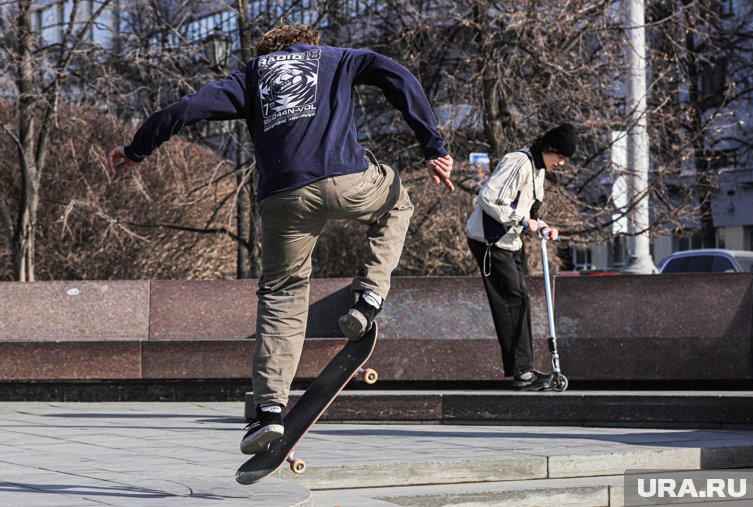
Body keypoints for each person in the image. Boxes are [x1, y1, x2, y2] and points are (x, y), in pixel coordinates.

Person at [107, 24, 453, 453]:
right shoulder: (337, 57)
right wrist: (432, 145)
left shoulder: (251, 75)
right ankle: (368, 299)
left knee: (282, 294)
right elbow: (397, 74)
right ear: (308, 42)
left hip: (283, 197)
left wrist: (137, 149)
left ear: (269, 50)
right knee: (397, 202)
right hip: (347, 179)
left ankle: (268, 413)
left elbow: (186, 108)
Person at [465, 124, 575, 391]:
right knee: (513, 300)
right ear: (549, 148)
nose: (561, 163)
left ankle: (524, 370)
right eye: (560, 157)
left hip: (509, 242)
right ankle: (522, 373)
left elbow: (527, 212)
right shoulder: (519, 161)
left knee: (519, 299)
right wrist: (525, 222)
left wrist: (543, 226)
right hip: (489, 241)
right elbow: (489, 198)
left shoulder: (538, 170)